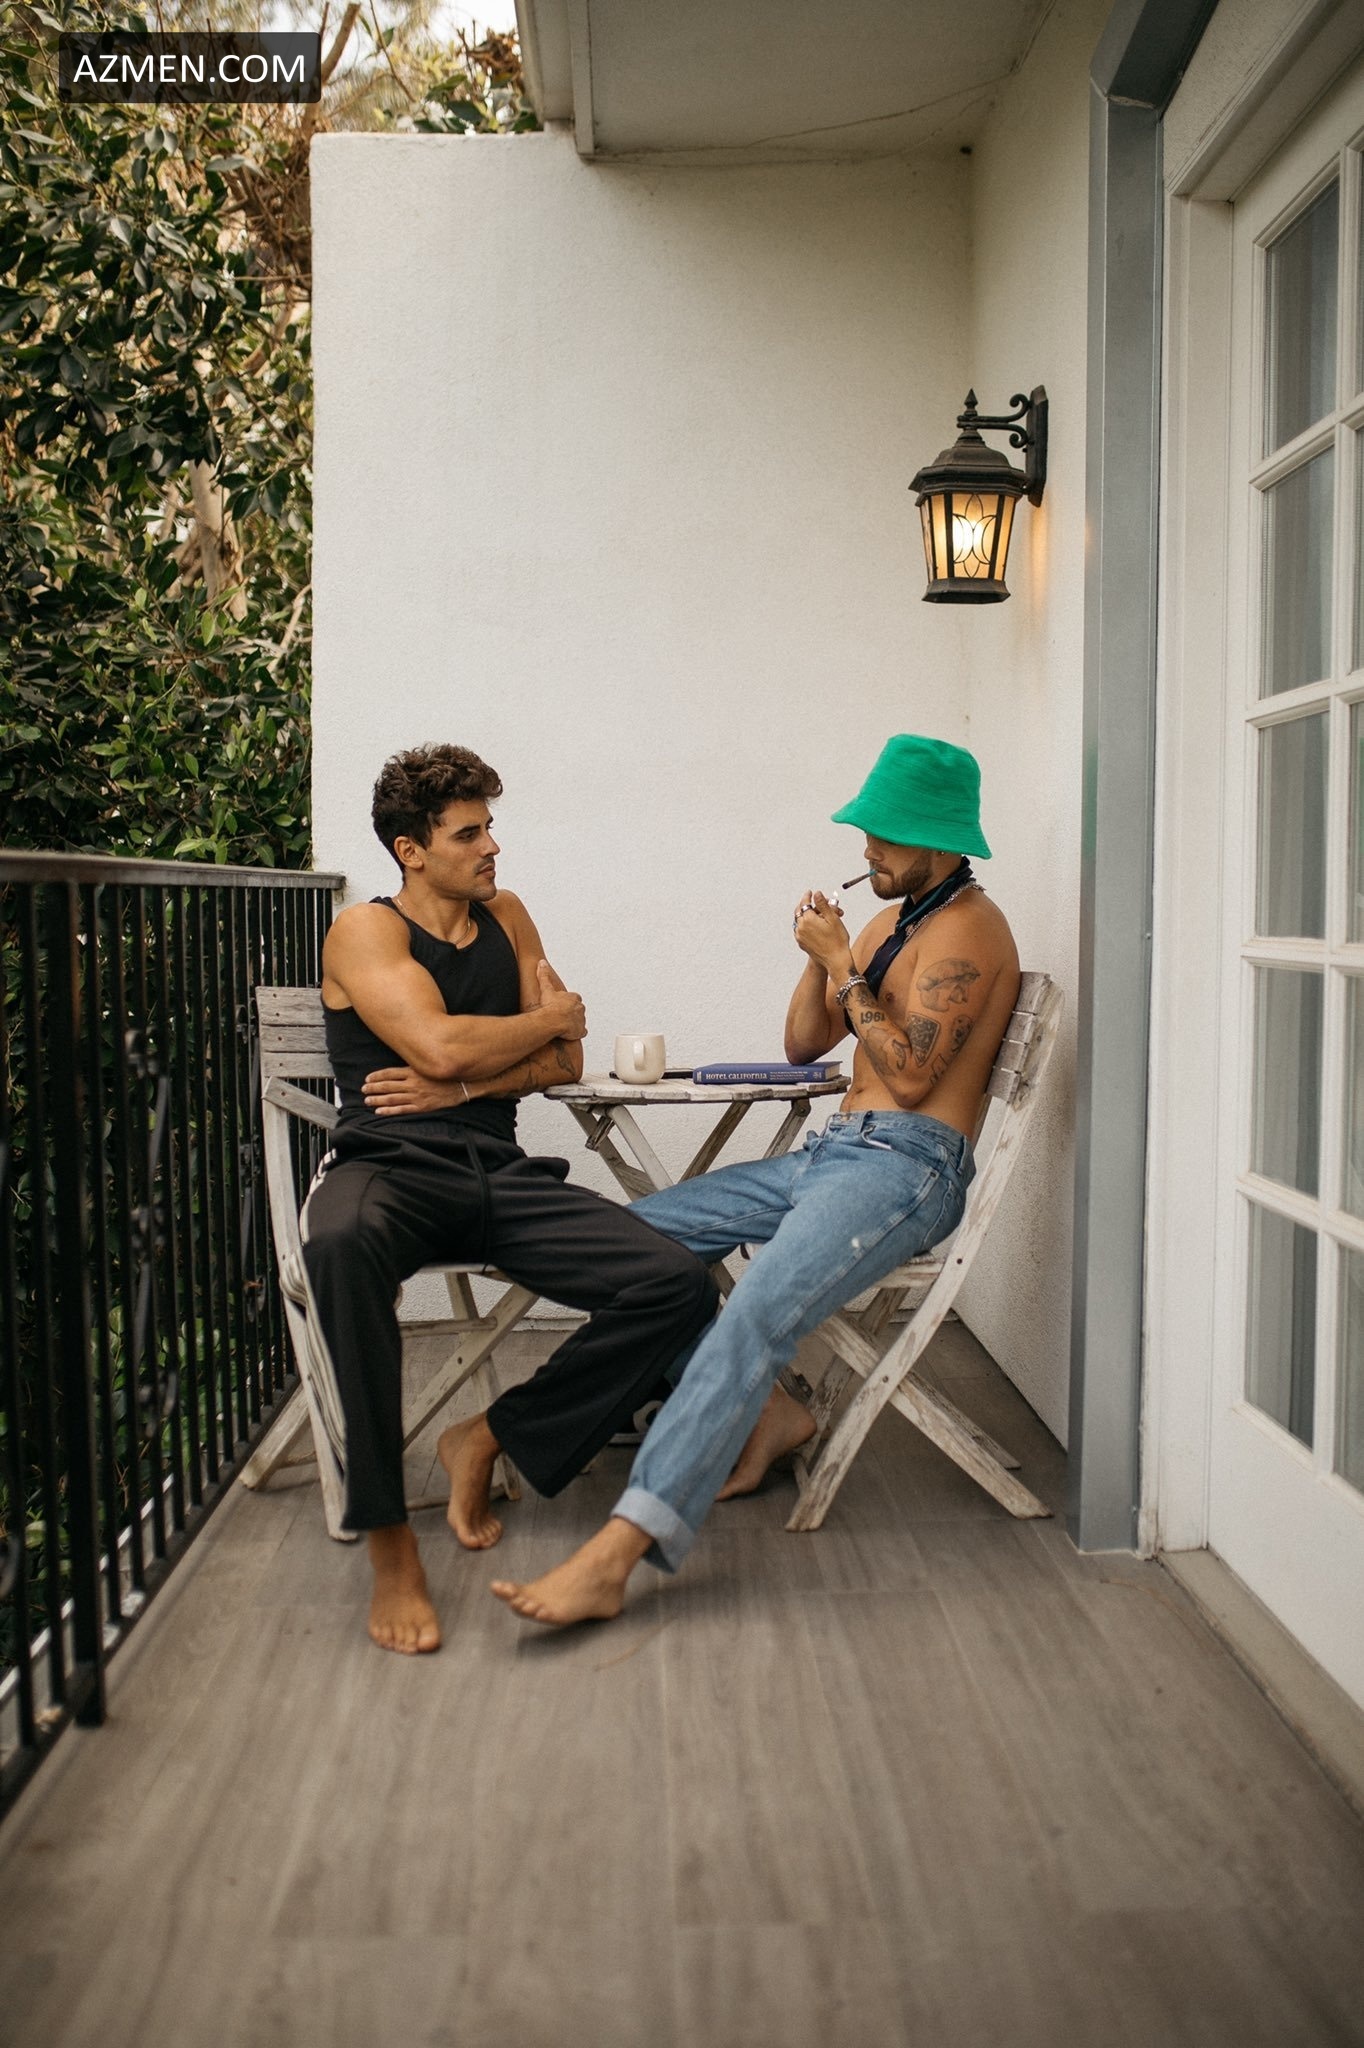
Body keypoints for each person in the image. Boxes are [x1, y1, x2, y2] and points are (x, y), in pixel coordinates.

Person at [488, 734, 1020, 1627]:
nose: (867, 849)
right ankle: (768, 1413)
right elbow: (804, 1045)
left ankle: (620, 1550)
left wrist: (845, 966)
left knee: (757, 1309)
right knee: (636, 1244)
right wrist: (819, 957)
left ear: (935, 838)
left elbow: (913, 1076)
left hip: (908, 1167)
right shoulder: (893, 923)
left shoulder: (970, 929)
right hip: (836, 1151)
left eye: (884, 835)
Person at [300, 743, 718, 1655]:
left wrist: (465, 1083)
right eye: (469, 833)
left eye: (490, 827)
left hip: (495, 1168)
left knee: (675, 1282)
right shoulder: (364, 932)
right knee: (338, 1246)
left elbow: (561, 1062)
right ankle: (388, 1540)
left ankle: (490, 1433)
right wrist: (535, 1026)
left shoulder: (508, 915)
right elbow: (455, 1042)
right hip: (385, 1165)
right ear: (412, 851)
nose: (492, 846)